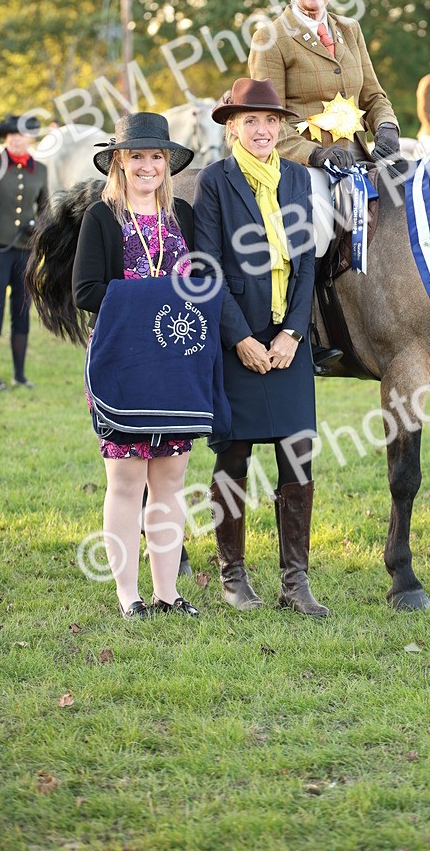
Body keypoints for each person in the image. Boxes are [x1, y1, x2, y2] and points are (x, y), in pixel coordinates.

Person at [193, 77, 328, 618]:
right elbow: (206, 268)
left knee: (299, 456)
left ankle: (296, 582)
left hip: (288, 343)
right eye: (251, 120)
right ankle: (233, 577)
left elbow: (307, 261)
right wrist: (241, 338)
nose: (263, 130)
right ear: (231, 127)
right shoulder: (214, 182)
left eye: (271, 121)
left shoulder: (297, 179)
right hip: (237, 341)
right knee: (234, 458)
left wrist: (293, 332)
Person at [71, 112, 201, 621]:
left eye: (155, 156)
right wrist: (149, 298)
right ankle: (130, 596)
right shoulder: (101, 218)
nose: (147, 165)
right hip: (122, 364)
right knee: (126, 480)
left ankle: (168, 592)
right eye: (136, 156)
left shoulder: (183, 217)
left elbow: (201, 282)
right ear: (119, 163)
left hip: (175, 364)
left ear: (167, 163)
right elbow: (86, 291)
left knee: (169, 480)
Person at [247, 0, 401, 170]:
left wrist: (386, 125)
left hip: (360, 160)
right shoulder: (270, 39)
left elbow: (373, 97)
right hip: (305, 168)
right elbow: (268, 120)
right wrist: (315, 154)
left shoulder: (351, 30)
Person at [0, 114, 49, 391]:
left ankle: (19, 375)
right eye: (12, 136)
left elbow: (44, 209)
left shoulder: (41, 169)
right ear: (6, 138)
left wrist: (38, 227)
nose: (17, 140)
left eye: (22, 135)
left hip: (25, 250)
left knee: (21, 310)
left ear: (30, 138)